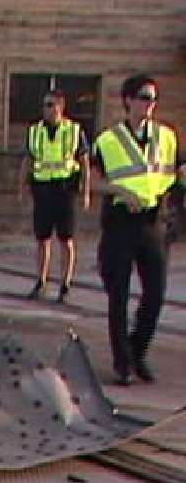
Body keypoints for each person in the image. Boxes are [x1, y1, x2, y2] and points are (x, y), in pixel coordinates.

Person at [91, 74, 186, 386]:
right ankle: (122, 363)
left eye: (154, 99)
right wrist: (120, 190)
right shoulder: (108, 140)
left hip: (154, 222)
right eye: (144, 97)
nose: (150, 104)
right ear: (128, 100)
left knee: (155, 294)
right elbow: (92, 182)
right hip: (121, 222)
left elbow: (173, 171)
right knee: (118, 294)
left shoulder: (166, 136)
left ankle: (137, 350)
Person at [18, 90, 90, 302]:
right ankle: (41, 281)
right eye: (45, 105)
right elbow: (28, 160)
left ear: (61, 106)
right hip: (42, 189)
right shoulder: (35, 131)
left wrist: (86, 191)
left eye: (51, 105)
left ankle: (65, 285)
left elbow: (85, 163)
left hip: (65, 189)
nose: (47, 110)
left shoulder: (74, 131)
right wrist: (21, 186)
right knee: (42, 238)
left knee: (66, 239)